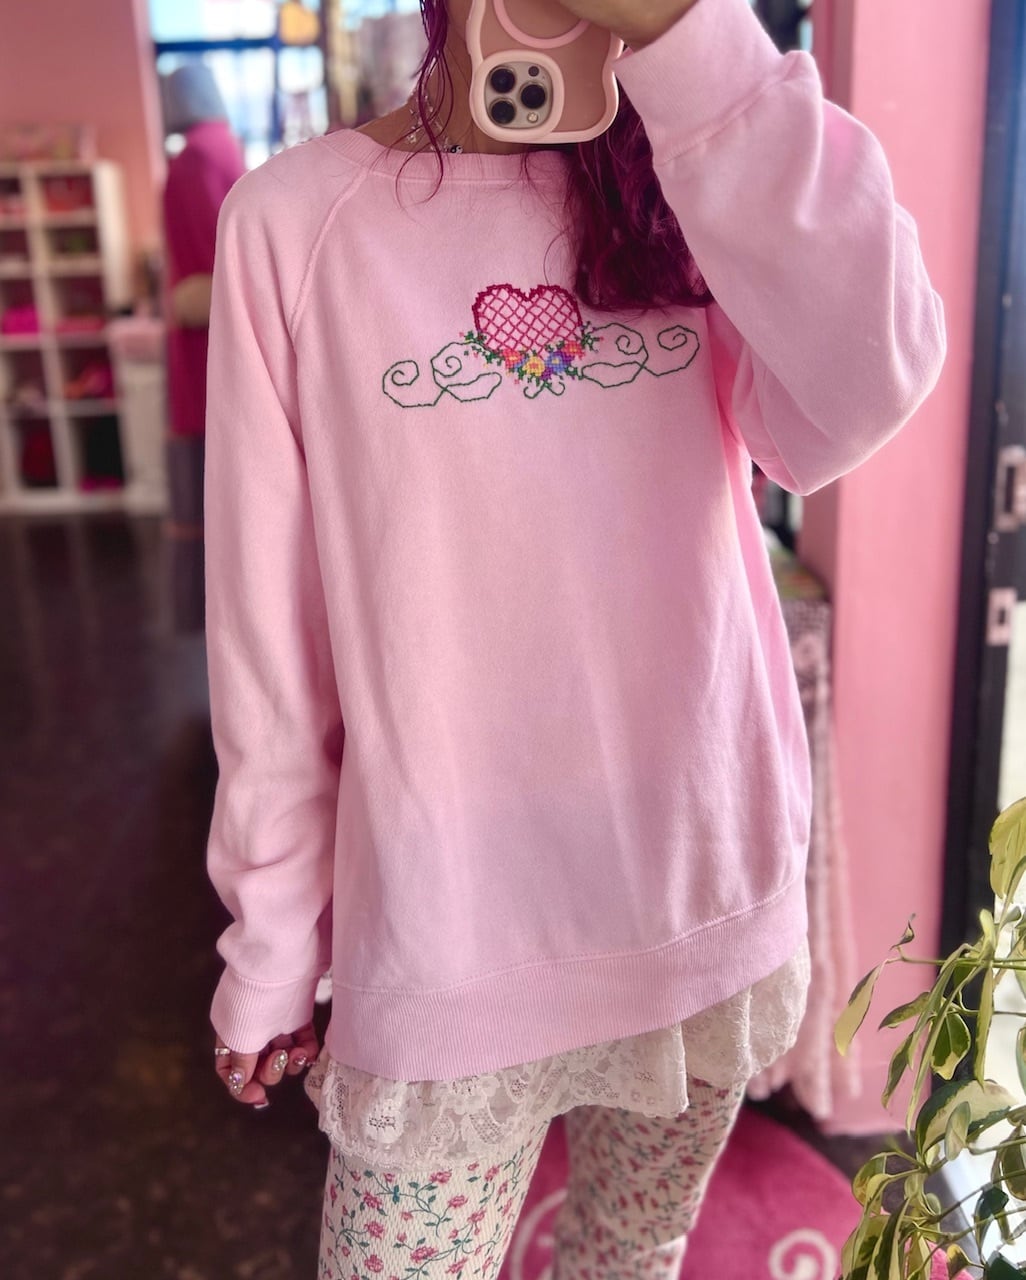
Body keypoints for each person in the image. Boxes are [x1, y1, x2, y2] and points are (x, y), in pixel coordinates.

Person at [202, 0, 947, 1274]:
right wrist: (275, 941)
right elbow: (271, 643)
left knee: (629, 1249)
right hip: (451, 920)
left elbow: (871, 373)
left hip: (696, 878)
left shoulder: (701, 178)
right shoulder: (294, 223)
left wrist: (688, 40)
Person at [160, 63, 246, 634]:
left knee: (205, 484)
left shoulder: (194, 158)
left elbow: (210, 265)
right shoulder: (224, 147)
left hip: (202, 340)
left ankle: (210, 614)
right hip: (220, 333)